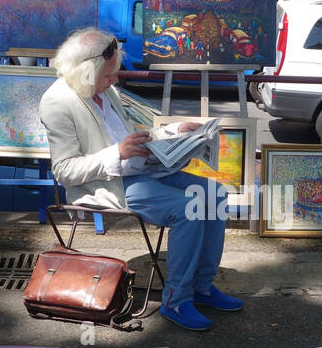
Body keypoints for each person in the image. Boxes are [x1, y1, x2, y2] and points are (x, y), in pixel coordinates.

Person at [39, 27, 242, 331]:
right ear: (86, 71)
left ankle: (201, 286)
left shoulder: (102, 90)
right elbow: (65, 171)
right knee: (189, 208)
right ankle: (176, 299)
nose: (114, 80)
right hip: (109, 184)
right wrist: (116, 154)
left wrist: (174, 132)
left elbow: (133, 135)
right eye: (109, 75)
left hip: (140, 170)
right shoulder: (57, 102)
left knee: (215, 195)